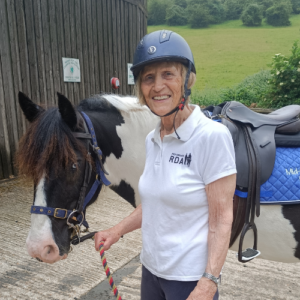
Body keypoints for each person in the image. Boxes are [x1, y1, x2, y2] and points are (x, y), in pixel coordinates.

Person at [94, 30, 236, 300]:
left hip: (189, 280)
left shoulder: (212, 137)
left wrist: (209, 282)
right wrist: (116, 231)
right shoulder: (153, 138)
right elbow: (154, 203)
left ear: (187, 79)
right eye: (149, 78)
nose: (157, 86)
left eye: (168, 74)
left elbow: (221, 220)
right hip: (151, 271)